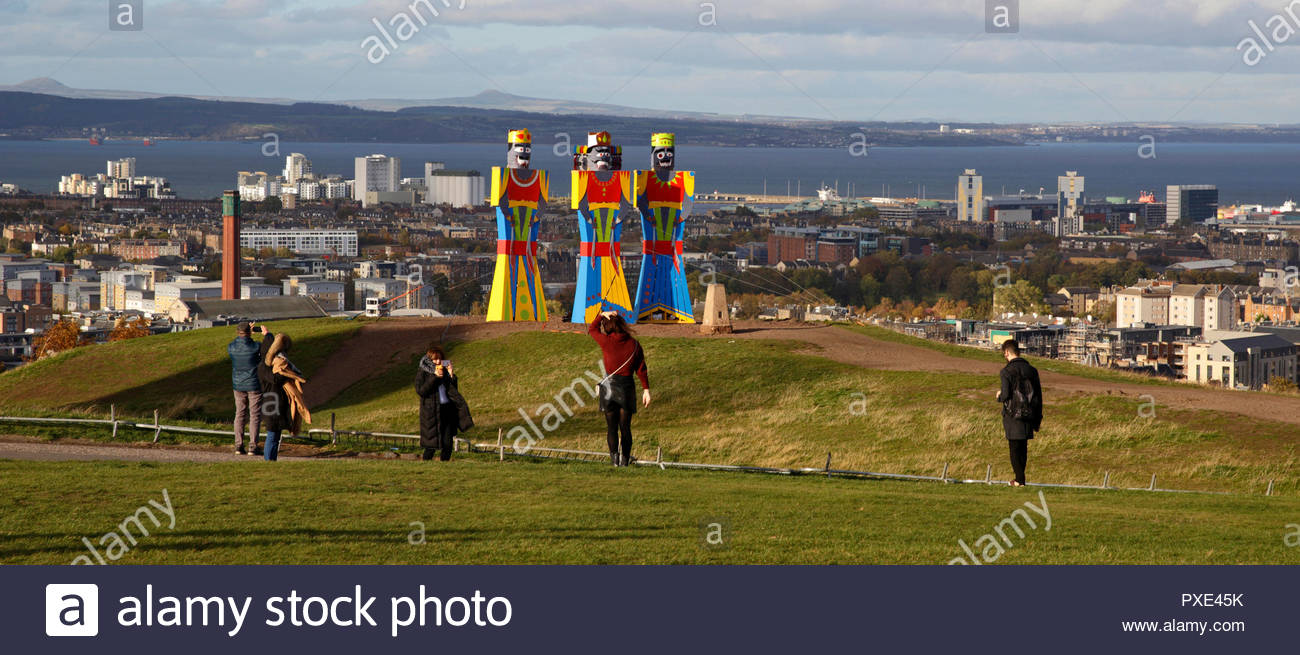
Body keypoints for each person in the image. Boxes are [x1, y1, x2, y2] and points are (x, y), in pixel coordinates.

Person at [589, 310, 651, 466]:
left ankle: (614, 460)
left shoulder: (606, 341)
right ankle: (625, 461)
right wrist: (646, 390)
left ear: (608, 326)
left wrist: (602, 315)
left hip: (609, 387)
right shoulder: (635, 345)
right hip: (626, 388)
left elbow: (592, 329)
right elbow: (641, 369)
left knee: (611, 427)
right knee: (625, 428)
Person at [415, 344, 473, 461]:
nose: (438, 362)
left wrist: (451, 374)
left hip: (447, 409)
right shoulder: (423, 372)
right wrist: (435, 377)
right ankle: (426, 463)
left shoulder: (444, 371)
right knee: (431, 444)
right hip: (431, 411)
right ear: (429, 360)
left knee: (447, 442)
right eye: (435, 359)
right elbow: (421, 391)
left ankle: (445, 464)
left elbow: (453, 391)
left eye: (440, 359)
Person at [996, 340, 1042, 487]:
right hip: (1029, 414)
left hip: (1012, 415)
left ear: (1007, 352)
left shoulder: (1006, 372)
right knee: (1023, 448)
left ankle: (1019, 480)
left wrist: (998, 396)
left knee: (1014, 448)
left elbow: (1005, 395)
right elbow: (1038, 396)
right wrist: (1038, 417)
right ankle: (1020, 479)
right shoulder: (1032, 371)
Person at [259, 332, 311, 461]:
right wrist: (284, 372)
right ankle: (269, 460)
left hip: (274, 402)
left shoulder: (269, 365)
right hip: (271, 404)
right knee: (272, 434)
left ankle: (272, 459)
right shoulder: (264, 368)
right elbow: (275, 379)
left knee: (276, 435)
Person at [227, 321, 272, 456]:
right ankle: (253, 446)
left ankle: (238, 445)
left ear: (237, 332)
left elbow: (240, 343)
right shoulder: (255, 346)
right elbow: (268, 348)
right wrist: (267, 334)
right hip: (253, 384)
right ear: (250, 332)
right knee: (254, 415)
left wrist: (248, 333)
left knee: (239, 413)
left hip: (238, 384)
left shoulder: (231, 347)